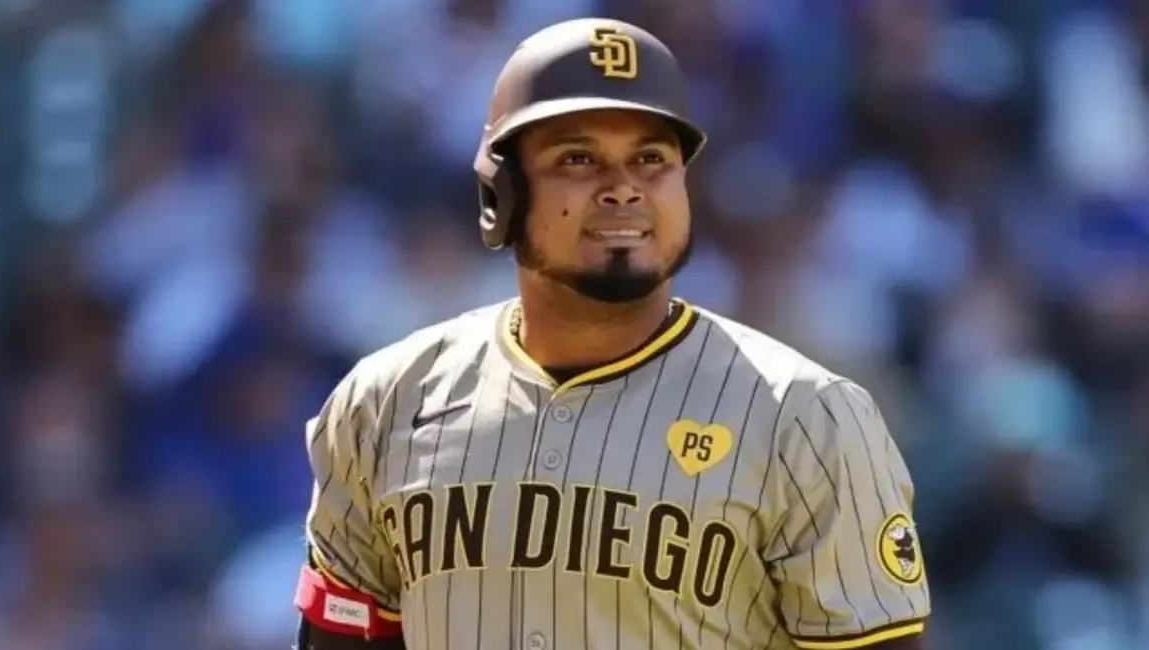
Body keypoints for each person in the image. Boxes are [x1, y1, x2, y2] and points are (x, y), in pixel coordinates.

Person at [292, 17, 931, 650]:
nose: (623, 189)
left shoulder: (808, 420)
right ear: (502, 191)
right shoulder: (388, 401)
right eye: (578, 159)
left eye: (651, 159)